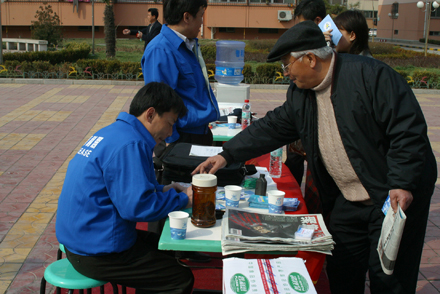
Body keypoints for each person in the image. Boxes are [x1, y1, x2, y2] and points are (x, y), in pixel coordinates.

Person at [193, 21, 437, 294]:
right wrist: (227, 155)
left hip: (389, 195)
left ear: (310, 59)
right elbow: (272, 126)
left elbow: (407, 131)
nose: (285, 73)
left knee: (388, 277)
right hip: (348, 198)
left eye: (287, 65)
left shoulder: (371, 77)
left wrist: (402, 182)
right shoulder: (300, 94)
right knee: (342, 268)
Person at [56, 82, 194, 294]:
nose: (170, 132)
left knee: (165, 248)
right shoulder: (131, 144)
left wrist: (162, 190)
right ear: (150, 114)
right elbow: (138, 208)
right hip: (96, 252)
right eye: (170, 123)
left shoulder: (116, 133)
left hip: (80, 240)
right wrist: (184, 200)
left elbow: (127, 190)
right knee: (179, 278)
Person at [141, 0, 219, 149]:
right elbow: (158, 102)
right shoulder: (161, 49)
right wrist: (172, 141)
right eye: (201, 16)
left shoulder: (187, 45)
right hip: (181, 139)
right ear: (187, 17)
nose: (202, 22)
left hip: (199, 134)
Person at [285, 0, 327, 189]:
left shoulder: (331, 53)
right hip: (300, 125)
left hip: (318, 132)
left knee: (318, 179)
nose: (287, 73)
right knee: (294, 166)